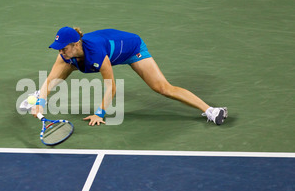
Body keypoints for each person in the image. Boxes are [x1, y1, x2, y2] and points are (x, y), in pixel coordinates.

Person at [32, 26, 227, 126]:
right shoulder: (65, 55)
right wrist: (41, 100)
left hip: (132, 49)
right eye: (58, 49)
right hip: (104, 49)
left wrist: (99, 113)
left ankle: (211, 110)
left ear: (76, 44)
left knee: (162, 88)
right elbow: (51, 79)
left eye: (64, 48)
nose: (60, 53)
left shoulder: (97, 53)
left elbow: (111, 87)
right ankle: (37, 96)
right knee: (57, 77)